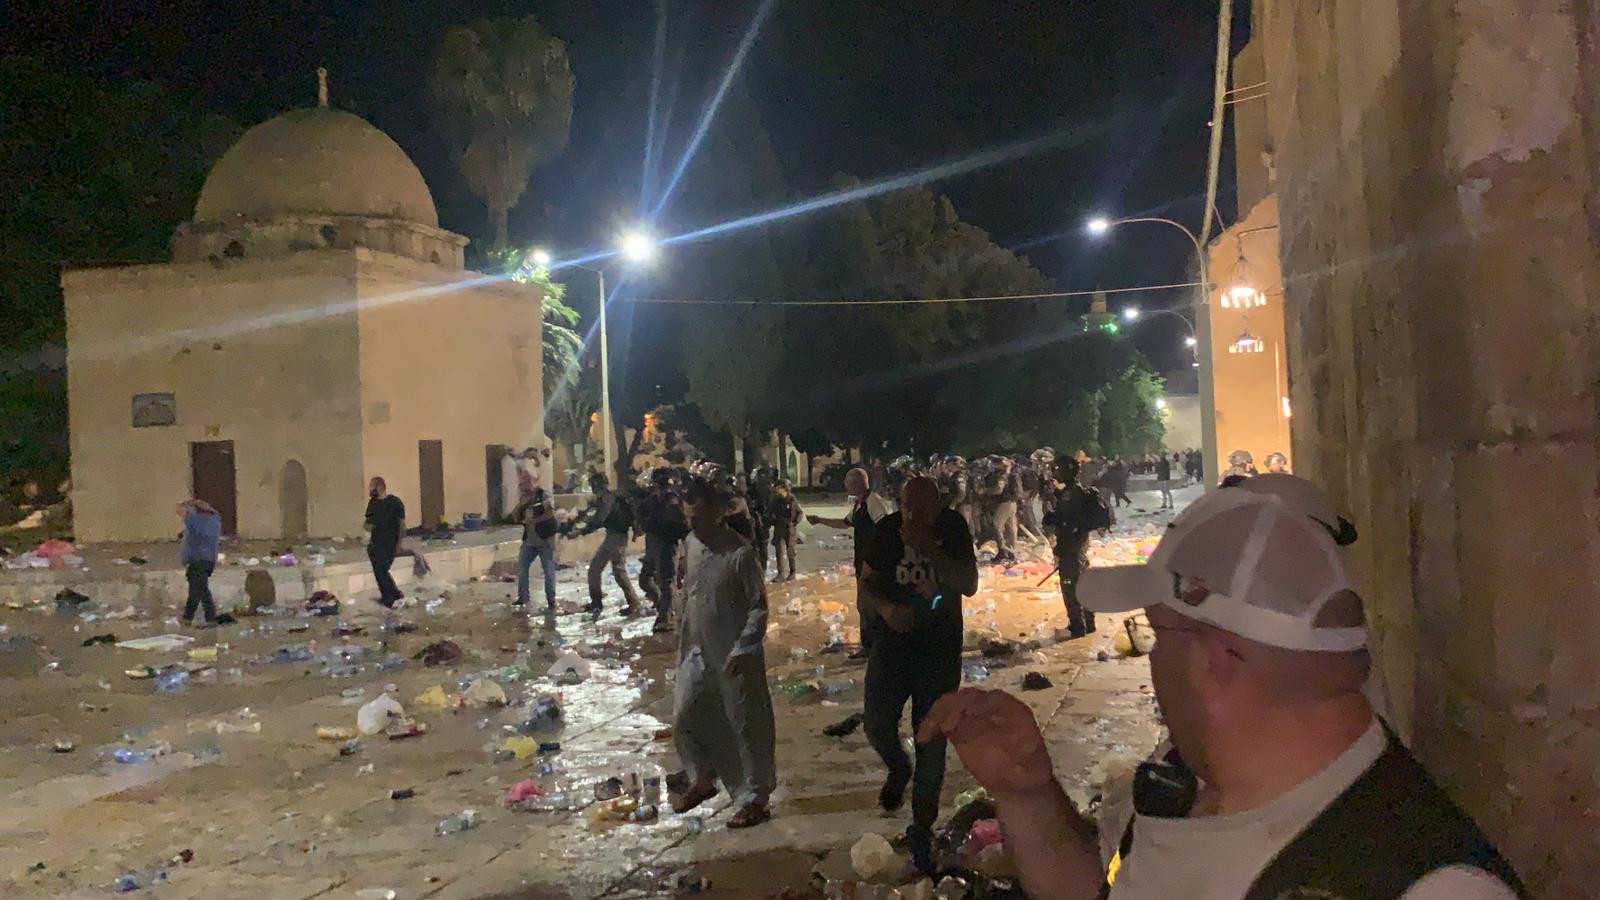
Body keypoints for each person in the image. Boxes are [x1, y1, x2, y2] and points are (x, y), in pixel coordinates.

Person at [921, 474, 1524, 900]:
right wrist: (1027, 794)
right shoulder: (1176, 778)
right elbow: (1098, 887)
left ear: (1215, 663)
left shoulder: (1423, 884)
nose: (1154, 662)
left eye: (1158, 636)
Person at [859, 475, 979, 873]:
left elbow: (969, 584)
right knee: (876, 723)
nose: (912, 515)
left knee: (931, 740)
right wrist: (887, 610)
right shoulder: (887, 530)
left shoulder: (953, 528)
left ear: (938, 506)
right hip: (892, 647)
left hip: (938, 651)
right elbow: (867, 582)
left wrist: (931, 549)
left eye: (921, 508)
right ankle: (897, 765)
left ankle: (921, 827)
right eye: (907, 506)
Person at [670, 478, 776, 829]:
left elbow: (759, 607)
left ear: (717, 512)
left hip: (733, 650)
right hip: (696, 647)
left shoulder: (740, 554)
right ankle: (702, 775)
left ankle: (754, 798)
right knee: (685, 713)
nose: (694, 525)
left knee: (746, 725)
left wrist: (745, 647)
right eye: (689, 518)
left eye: (700, 517)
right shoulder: (690, 544)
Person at [807, 467, 893, 658]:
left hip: (873, 563)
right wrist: (819, 520)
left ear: (857, 483)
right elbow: (845, 523)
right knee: (865, 604)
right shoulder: (860, 504)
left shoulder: (873, 502)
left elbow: (885, 529)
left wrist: (877, 558)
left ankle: (874, 647)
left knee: (870, 604)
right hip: (863, 561)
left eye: (847, 482)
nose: (845, 486)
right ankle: (872, 645)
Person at [1043, 456, 1110, 638]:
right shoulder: (1075, 492)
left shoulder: (1070, 495)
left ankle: (1077, 627)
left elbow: (1065, 522)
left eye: (1057, 470)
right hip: (1079, 545)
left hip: (1071, 547)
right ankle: (1089, 623)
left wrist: (1052, 519)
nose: (1054, 474)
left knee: (1070, 588)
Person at [574, 472, 643, 615]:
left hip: (618, 537)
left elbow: (599, 519)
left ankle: (634, 603)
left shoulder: (607, 499)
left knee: (618, 572)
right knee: (594, 569)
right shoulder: (604, 499)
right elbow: (591, 515)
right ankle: (596, 602)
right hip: (611, 536)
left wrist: (583, 530)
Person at [639, 468, 690, 632]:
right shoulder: (654, 499)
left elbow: (674, 524)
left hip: (668, 544)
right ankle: (663, 606)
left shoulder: (671, 499)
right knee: (645, 579)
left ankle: (665, 617)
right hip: (654, 544)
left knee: (667, 581)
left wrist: (651, 523)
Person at [512, 470, 559, 612]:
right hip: (530, 540)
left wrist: (535, 520)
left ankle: (551, 601)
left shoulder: (543, 495)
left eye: (525, 482)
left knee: (548, 570)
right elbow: (515, 517)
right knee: (522, 567)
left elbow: (549, 512)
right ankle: (523, 597)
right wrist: (521, 505)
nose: (522, 486)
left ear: (532, 482)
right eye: (521, 483)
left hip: (545, 539)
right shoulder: (524, 499)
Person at [178, 499, 222, 625]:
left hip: (198, 559)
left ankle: (210, 618)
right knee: (196, 589)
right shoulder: (214, 520)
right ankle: (188, 617)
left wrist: (187, 512)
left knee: (201, 590)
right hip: (208, 559)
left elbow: (193, 530)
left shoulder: (196, 521)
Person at [364, 477, 406, 608]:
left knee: (381, 570)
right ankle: (393, 594)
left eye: (372, 486)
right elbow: (368, 524)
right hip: (376, 542)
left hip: (390, 542)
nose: (370, 489)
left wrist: (399, 544)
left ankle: (390, 598)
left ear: (380, 487)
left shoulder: (395, 502)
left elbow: (402, 525)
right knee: (379, 571)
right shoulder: (373, 503)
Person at [766, 480, 802, 582]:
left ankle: (792, 572)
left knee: (791, 552)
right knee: (779, 552)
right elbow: (769, 513)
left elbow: (800, 513)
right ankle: (780, 574)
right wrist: (772, 521)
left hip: (790, 529)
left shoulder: (792, 499)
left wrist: (794, 523)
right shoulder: (775, 500)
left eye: (780, 487)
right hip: (779, 528)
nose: (777, 489)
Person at [991, 457, 1022, 565]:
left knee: (996, 524)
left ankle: (1002, 551)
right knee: (1011, 528)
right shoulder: (1014, 474)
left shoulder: (1003, 475)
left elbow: (998, 490)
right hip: (1013, 503)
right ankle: (1012, 553)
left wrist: (986, 491)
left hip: (1005, 503)